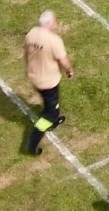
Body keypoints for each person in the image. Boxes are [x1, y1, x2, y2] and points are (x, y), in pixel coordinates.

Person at [23, 10, 74, 156]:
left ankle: (54, 118)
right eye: (54, 21)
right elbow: (63, 60)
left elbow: (26, 53)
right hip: (48, 81)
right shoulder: (54, 40)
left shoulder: (31, 34)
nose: (56, 23)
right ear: (49, 23)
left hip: (34, 76)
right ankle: (32, 143)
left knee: (51, 103)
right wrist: (70, 70)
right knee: (50, 113)